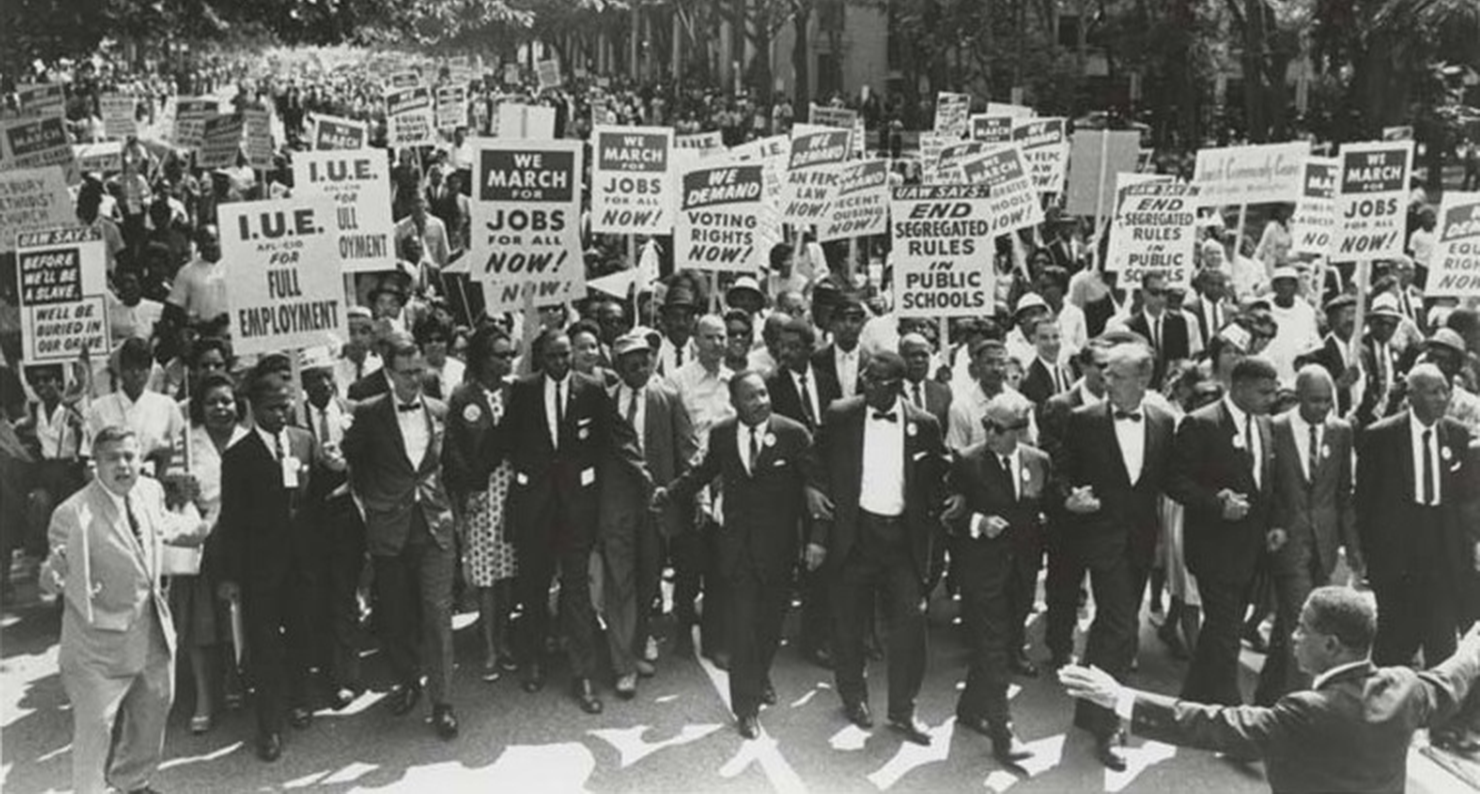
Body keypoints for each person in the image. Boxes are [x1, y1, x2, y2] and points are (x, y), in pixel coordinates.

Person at [1061, 586, 1480, 794]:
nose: (1293, 636)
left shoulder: (1309, 709)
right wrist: (1475, 645)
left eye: (1302, 628)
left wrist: (1120, 697)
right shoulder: (1406, 687)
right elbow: (1452, 677)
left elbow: (1214, 724)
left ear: (1332, 645)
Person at [40, 426, 208, 794]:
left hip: (150, 629)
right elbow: (50, 577)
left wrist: (200, 527)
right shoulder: (72, 513)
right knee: (96, 730)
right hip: (95, 644)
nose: (123, 465)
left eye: (130, 456)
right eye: (112, 457)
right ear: (94, 464)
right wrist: (55, 570)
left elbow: (162, 526)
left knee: (154, 712)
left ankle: (133, 782)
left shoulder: (149, 491)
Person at [496, 328, 646, 714]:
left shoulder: (592, 390)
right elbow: (504, 439)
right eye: (554, 357)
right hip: (537, 508)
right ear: (540, 358)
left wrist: (643, 472)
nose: (561, 363)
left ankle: (583, 675)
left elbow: (617, 436)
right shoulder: (525, 391)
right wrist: (472, 475)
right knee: (534, 586)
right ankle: (533, 661)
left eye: (566, 356)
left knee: (577, 590)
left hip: (578, 509)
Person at [653, 371, 810, 739]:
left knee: (769, 627)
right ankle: (746, 708)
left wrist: (815, 538)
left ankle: (760, 673)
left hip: (779, 552)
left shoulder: (793, 434)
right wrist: (670, 494)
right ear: (735, 403)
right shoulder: (723, 434)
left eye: (763, 394)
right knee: (742, 628)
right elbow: (703, 472)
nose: (761, 401)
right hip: (737, 550)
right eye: (751, 397)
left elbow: (814, 486)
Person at [805, 352, 948, 745]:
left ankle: (903, 710)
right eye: (866, 376)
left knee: (910, 623)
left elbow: (939, 474)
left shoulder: (925, 424)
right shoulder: (841, 414)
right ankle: (854, 697)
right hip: (856, 536)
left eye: (877, 380)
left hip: (902, 540)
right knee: (848, 624)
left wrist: (957, 500)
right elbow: (814, 456)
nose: (866, 384)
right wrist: (813, 488)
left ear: (898, 386)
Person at [1055, 341, 1174, 769]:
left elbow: (1173, 480)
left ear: (1144, 380)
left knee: (1110, 625)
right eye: (1105, 374)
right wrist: (1069, 496)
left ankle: (1088, 709)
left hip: (1141, 542)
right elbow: (1061, 471)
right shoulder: (1083, 420)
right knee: (1122, 628)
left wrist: (1215, 500)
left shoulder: (1163, 420)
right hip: (1101, 539)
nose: (1107, 382)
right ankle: (1110, 726)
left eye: (1118, 376)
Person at [342, 332, 460, 740]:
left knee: (438, 612)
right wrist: (372, 500)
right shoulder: (369, 413)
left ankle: (442, 702)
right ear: (389, 373)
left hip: (434, 525)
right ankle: (409, 680)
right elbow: (352, 461)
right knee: (396, 615)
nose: (414, 379)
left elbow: (454, 464)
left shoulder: (441, 409)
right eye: (406, 372)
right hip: (390, 528)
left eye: (418, 371)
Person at [214, 369, 319, 761]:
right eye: (272, 408)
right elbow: (232, 519)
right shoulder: (238, 456)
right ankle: (268, 726)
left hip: (301, 562)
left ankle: (300, 700)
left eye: (286, 404)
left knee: (300, 634)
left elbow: (317, 502)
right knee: (264, 646)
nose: (281, 413)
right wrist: (230, 574)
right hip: (260, 569)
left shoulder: (304, 441)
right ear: (253, 409)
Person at [1170, 356, 1279, 708]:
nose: (1271, 399)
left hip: (1251, 550)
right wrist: (1217, 503)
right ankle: (1230, 715)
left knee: (1220, 628)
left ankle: (1192, 700)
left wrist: (1274, 525)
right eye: (1264, 391)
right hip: (1214, 547)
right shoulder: (1201, 424)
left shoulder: (1264, 425)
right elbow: (1174, 481)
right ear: (1240, 386)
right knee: (1227, 630)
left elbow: (1267, 484)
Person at [943, 395, 1046, 764]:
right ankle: (1003, 733)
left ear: (1018, 432)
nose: (988, 433)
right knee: (993, 648)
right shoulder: (969, 462)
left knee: (1000, 641)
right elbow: (949, 514)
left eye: (997, 429)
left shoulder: (1038, 462)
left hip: (1021, 572)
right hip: (982, 571)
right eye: (986, 424)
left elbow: (1042, 511)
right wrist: (978, 522)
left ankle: (970, 708)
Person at [1356, 364, 1474, 669]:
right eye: (1434, 391)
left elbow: (1463, 499)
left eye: (1445, 390)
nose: (1443, 398)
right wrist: (1369, 554)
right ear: (1412, 395)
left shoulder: (1457, 435)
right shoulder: (1382, 436)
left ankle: (1444, 714)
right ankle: (1388, 710)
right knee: (1394, 640)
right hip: (1397, 551)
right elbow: (1365, 503)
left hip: (1442, 548)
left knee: (1442, 640)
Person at [1255, 364, 1359, 705]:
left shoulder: (1341, 431)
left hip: (1324, 548)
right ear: (1298, 396)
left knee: (1288, 636)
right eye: (1315, 400)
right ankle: (1296, 717)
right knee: (1305, 632)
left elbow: (1343, 494)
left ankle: (1264, 708)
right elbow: (1266, 489)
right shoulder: (1275, 428)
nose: (1322, 408)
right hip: (1288, 547)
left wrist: (1353, 550)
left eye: (1328, 401)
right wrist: (1273, 525)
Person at [601, 331, 697, 697]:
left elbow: (687, 449)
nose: (641, 369)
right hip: (616, 508)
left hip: (657, 506)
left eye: (646, 361)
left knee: (646, 585)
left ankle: (636, 644)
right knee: (619, 584)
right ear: (617, 366)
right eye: (632, 363)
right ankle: (623, 666)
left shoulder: (668, 397)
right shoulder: (605, 400)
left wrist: (693, 495)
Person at [444, 325, 519, 681]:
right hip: (481, 495)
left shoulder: (515, 391)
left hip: (513, 492)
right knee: (487, 578)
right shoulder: (462, 397)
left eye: (509, 355)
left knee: (508, 574)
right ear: (482, 359)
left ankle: (504, 639)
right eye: (499, 355)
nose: (507, 361)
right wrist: (469, 490)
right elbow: (453, 451)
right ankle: (489, 647)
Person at [173, 373, 247, 736]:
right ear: (200, 408)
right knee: (200, 619)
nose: (220, 408)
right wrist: (178, 488)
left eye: (227, 401)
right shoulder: (188, 442)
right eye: (212, 402)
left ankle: (234, 678)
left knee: (235, 614)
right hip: (202, 536)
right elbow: (167, 495)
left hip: (243, 536)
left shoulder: (248, 439)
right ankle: (204, 695)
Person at [298, 353, 362, 709]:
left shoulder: (354, 410)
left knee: (345, 595)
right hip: (310, 520)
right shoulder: (292, 417)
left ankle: (346, 675)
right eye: (310, 379)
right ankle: (323, 670)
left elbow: (370, 456)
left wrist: (348, 466)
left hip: (348, 515)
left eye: (324, 377)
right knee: (317, 598)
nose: (320, 385)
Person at [1124, 272, 1191, 388]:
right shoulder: (1130, 326)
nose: (1161, 298)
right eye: (1155, 293)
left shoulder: (1179, 321)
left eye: (1165, 293)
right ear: (1144, 293)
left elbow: (1182, 358)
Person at [812, 295, 869, 403]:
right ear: (832, 324)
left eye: (854, 320)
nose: (848, 325)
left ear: (862, 325)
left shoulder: (871, 361)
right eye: (842, 319)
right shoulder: (816, 361)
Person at [899, 332, 952, 423]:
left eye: (924, 355)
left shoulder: (942, 392)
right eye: (913, 355)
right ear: (901, 357)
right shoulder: (891, 391)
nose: (919, 360)